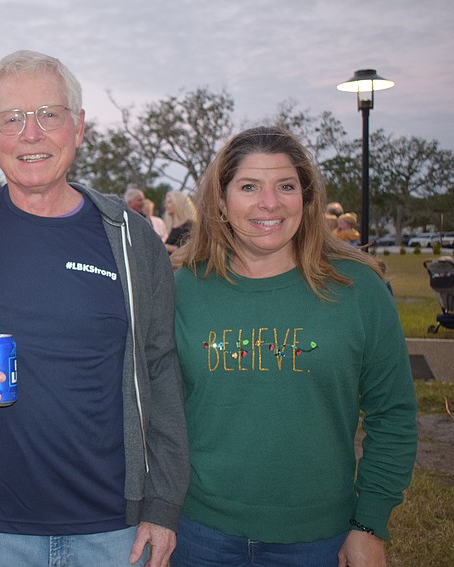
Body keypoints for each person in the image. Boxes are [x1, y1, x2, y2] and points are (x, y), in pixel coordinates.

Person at [0, 50, 188, 567]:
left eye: (48, 115)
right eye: (11, 119)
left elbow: (161, 368)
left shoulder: (129, 237)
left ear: (78, 128)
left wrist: (164, 504)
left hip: (114, 530)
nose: (30, 134)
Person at [170, 126, 417, 566]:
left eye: (286, 186)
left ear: (306, 198)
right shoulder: (183, 288)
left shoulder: (357, 288)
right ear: (221, 203)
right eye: (249, 187)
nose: (270, 202)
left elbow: (393, 413)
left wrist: (370, 523)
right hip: (199, 535)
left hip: (319, 540)